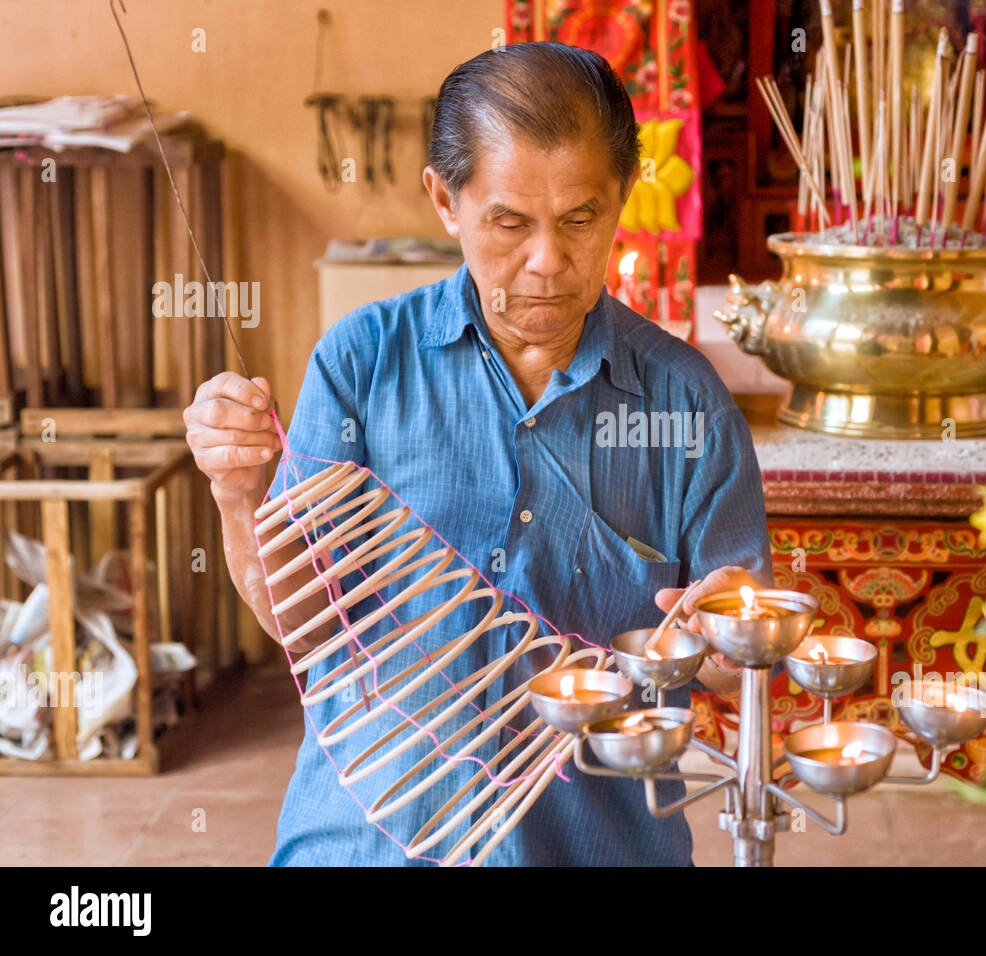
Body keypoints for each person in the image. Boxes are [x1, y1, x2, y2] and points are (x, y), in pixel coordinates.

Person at [183, 41, 772, 866]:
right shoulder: (361, 362)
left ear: (624, 197)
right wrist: (240, 495)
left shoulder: (685, 399)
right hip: (367, 836)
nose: (548, 261)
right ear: (444, 199)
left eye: (581, 218)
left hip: (597, 844)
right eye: (508, 223)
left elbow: (734, 660)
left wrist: (725, 633)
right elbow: (305, 628)